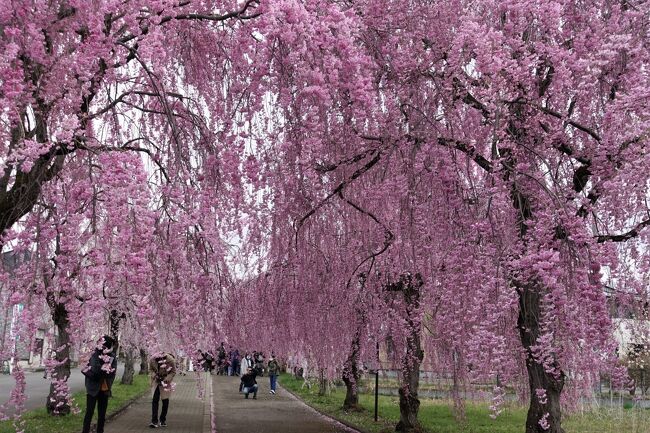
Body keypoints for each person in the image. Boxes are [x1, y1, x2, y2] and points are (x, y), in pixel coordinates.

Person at [81, 335, 117, 433]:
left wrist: (105, 373)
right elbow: (86, 368)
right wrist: (99, 372)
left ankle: (100, 431)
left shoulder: (112, 356)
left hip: (104, 388)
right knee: (89, 412)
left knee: (102, 414)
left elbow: (112, 372)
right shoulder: (93, 354)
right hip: (92, 387)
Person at [149, 352, 176, 428]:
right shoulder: (152, 359)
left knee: (165, 400)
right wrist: (154, 375)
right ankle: (154, 421)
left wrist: (167, 379)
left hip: (165, 381)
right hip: (156, 381)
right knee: (155, 400)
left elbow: (173, 371)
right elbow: (150, 369)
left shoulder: (170, 360)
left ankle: (162, 420)